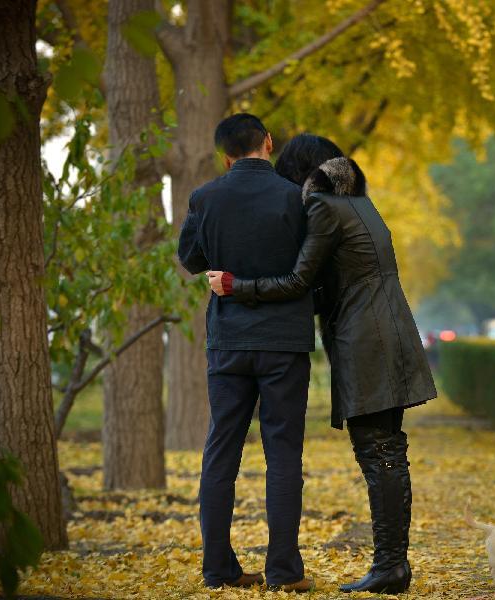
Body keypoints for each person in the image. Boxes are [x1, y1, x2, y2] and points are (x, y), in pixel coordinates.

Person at [205, 133, 437, 594]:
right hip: (385, 331)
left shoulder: (325, 209)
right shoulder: (358, 205)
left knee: (379, 454)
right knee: (388, 451)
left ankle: (391, 566)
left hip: (366, 340)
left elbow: (298, 281)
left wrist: (237, 287)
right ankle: (392, 564)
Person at [177, 114, 314, 593]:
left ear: (224, 154)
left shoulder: (205, 198)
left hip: (229, 343)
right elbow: (309, 269)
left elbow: (192, 260)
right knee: (283, 456)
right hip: (284, 342)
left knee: (220, 453)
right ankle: (283, 572)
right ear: (268, 143)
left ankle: (218, 570)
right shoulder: (295, 197)